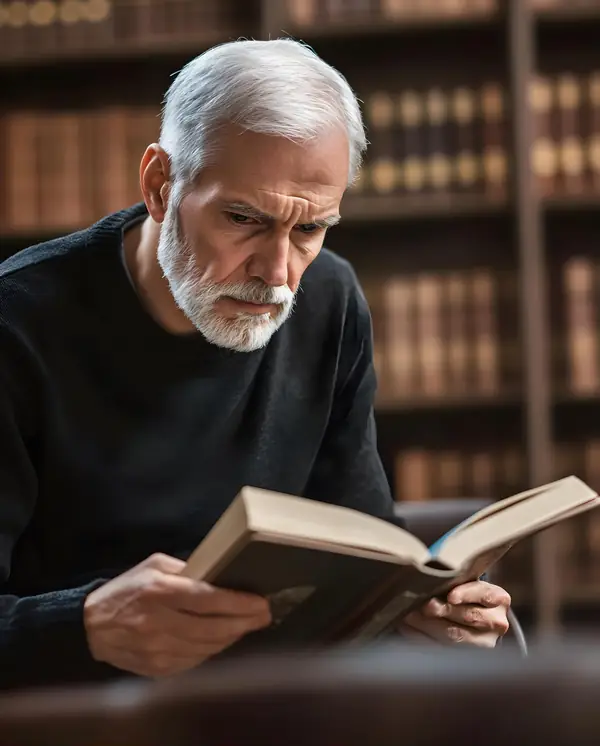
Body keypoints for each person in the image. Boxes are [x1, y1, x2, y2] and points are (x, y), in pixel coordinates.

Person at [0, 38, 510, 690]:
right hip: (84, 719)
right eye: (242, 218)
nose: (278, 276)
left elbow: (363, 536)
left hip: (274, 706)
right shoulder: (17, 326)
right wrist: (84, 625)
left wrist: (418, 609)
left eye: (309, 230)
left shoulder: (329, 298)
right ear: (160, 184)